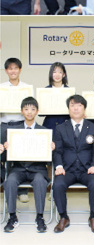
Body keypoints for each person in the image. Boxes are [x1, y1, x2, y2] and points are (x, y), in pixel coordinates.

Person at [50, 94, 94, 233]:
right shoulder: (61, 128)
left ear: (84, 109)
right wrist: (59, 166)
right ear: (68, 109)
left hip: (87, 169)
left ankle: (93, 217)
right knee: (58, 184)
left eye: (79, 105)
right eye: (72, 105)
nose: (76, 108)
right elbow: (57, 151)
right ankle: (63, 217)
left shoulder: (93, 127)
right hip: (67, 170)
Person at [1, 97, 51, 232]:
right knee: (10, 181)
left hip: (38, 169)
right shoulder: (13, 132)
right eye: (26, 109)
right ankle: (12, 217)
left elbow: (49, 160)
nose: (29, 112)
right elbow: (5, 159)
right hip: (18, 169)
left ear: (37, 112)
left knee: (40, 181)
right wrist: (5, 149)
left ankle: (39, 217)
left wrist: (50, 150)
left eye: (33, 109)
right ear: (21, 111)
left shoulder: (44, 131)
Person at [0, 57, 32, 125]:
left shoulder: (27, 88)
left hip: (22, 124)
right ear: (6, 71)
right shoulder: (1, 88)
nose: (13, 71)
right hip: (5, 124)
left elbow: (31, 107)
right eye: (10, 69)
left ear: (20, 70)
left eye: (15, 68)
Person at [40, 62, 71, 131]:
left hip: (65, 125)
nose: (57, 75)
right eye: (54, 72)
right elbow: (41, 113)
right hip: (49, 125)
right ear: (51, 74)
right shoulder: (45, 90)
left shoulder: (69, 91)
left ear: (64, 74)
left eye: (60, 72)